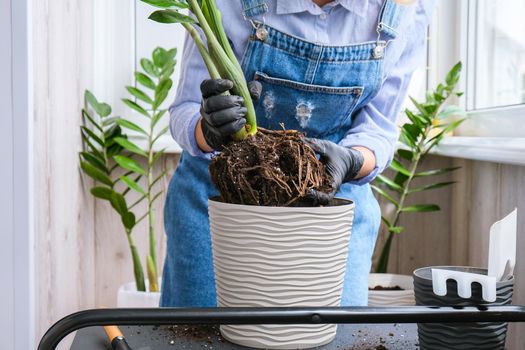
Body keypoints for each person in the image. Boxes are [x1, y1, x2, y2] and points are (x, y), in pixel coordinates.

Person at [161, 0, 435, 307]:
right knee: (199, 337)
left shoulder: (408, 7)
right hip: (217, 203)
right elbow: (185, 109)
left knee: (330, 337)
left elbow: (378, 125)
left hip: (330, 206)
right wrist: (209, 128)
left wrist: (353, 159)